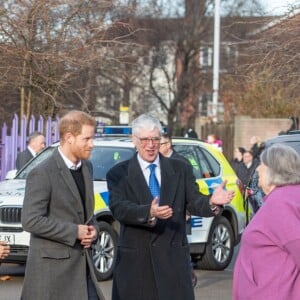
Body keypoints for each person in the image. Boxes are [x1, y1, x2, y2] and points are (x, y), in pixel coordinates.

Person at [106, 114, 234, 300]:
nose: (150, 145)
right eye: (145, 140)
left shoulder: (180, 169)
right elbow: (119, 208)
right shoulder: (118, 173)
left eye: (155, 139)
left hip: (173, 263)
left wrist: (211, 202)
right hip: (137, 266)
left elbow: (194, 200)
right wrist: (147, 212)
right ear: (134, 140)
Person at [21, 110, 105, 300]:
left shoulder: (87, 168)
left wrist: (94, 231)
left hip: (83, 270)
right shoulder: (43, 172)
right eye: (87, 139)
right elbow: (30, 220)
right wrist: (74, 231)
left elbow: (87, 215)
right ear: (69, 137)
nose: (92, 144)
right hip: (53, 277)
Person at [233, 144, 300, 300]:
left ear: (273, 169)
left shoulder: (281, 203)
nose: (257, 170)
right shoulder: (288, 196)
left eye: (262, 165)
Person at [159, 132, 197, 287]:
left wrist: (187, 211)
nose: (155, 147)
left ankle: (188, 276)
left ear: (168, 144)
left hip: (179, 214)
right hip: (163, 213)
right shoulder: (156, 161)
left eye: (159, 144)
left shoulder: (181, 162)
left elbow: (190, 190)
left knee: (180, 248)